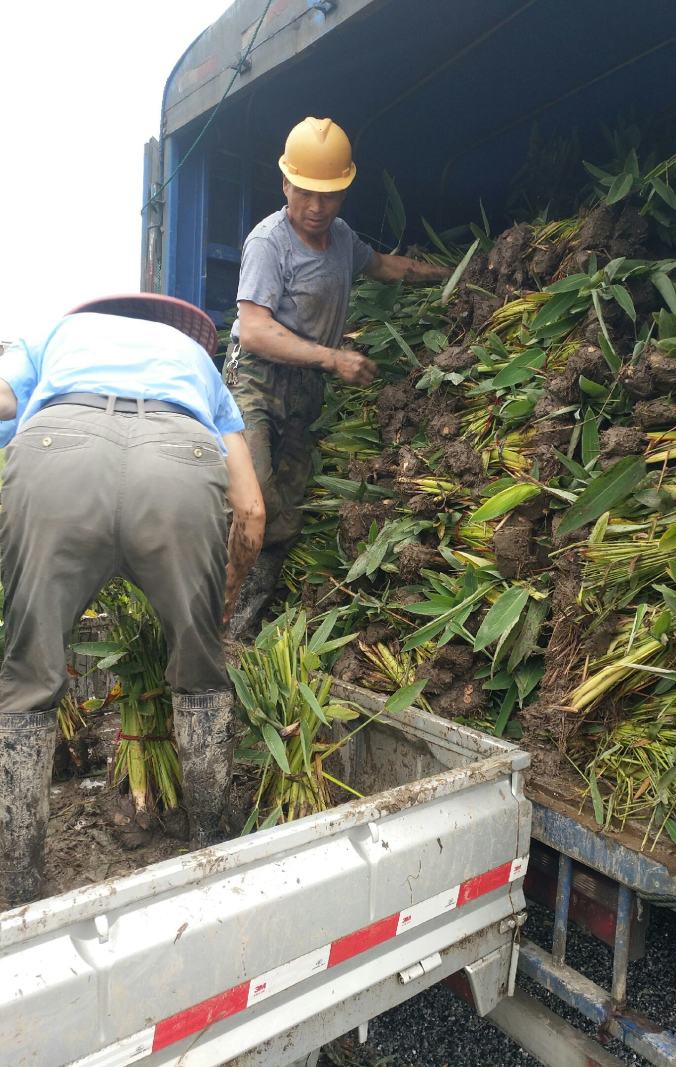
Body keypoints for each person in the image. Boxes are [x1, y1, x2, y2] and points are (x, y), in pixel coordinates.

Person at [0, 294, 266, 909]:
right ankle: (208, 851)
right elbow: (250, 508)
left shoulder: (61, 334)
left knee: (28, 676)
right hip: (177, 461)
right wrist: (220, 592)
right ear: (178, 333)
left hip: (57, 453)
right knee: (200, 675)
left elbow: (6, 399)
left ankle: (17, 893)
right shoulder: (197, 365)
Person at [225, 116, 450, 637]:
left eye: (328, 196)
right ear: (285, 184)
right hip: (255, 382)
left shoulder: (343, 238)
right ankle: (215, 623)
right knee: (249, 502)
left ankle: (244, 624)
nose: (316, 208)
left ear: (344, 190)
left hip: (304, 390)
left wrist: (448, 273)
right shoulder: (269, 243)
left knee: (284, 513)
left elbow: (384, 268)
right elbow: (255, 331)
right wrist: (333, 358)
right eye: (305, 193)